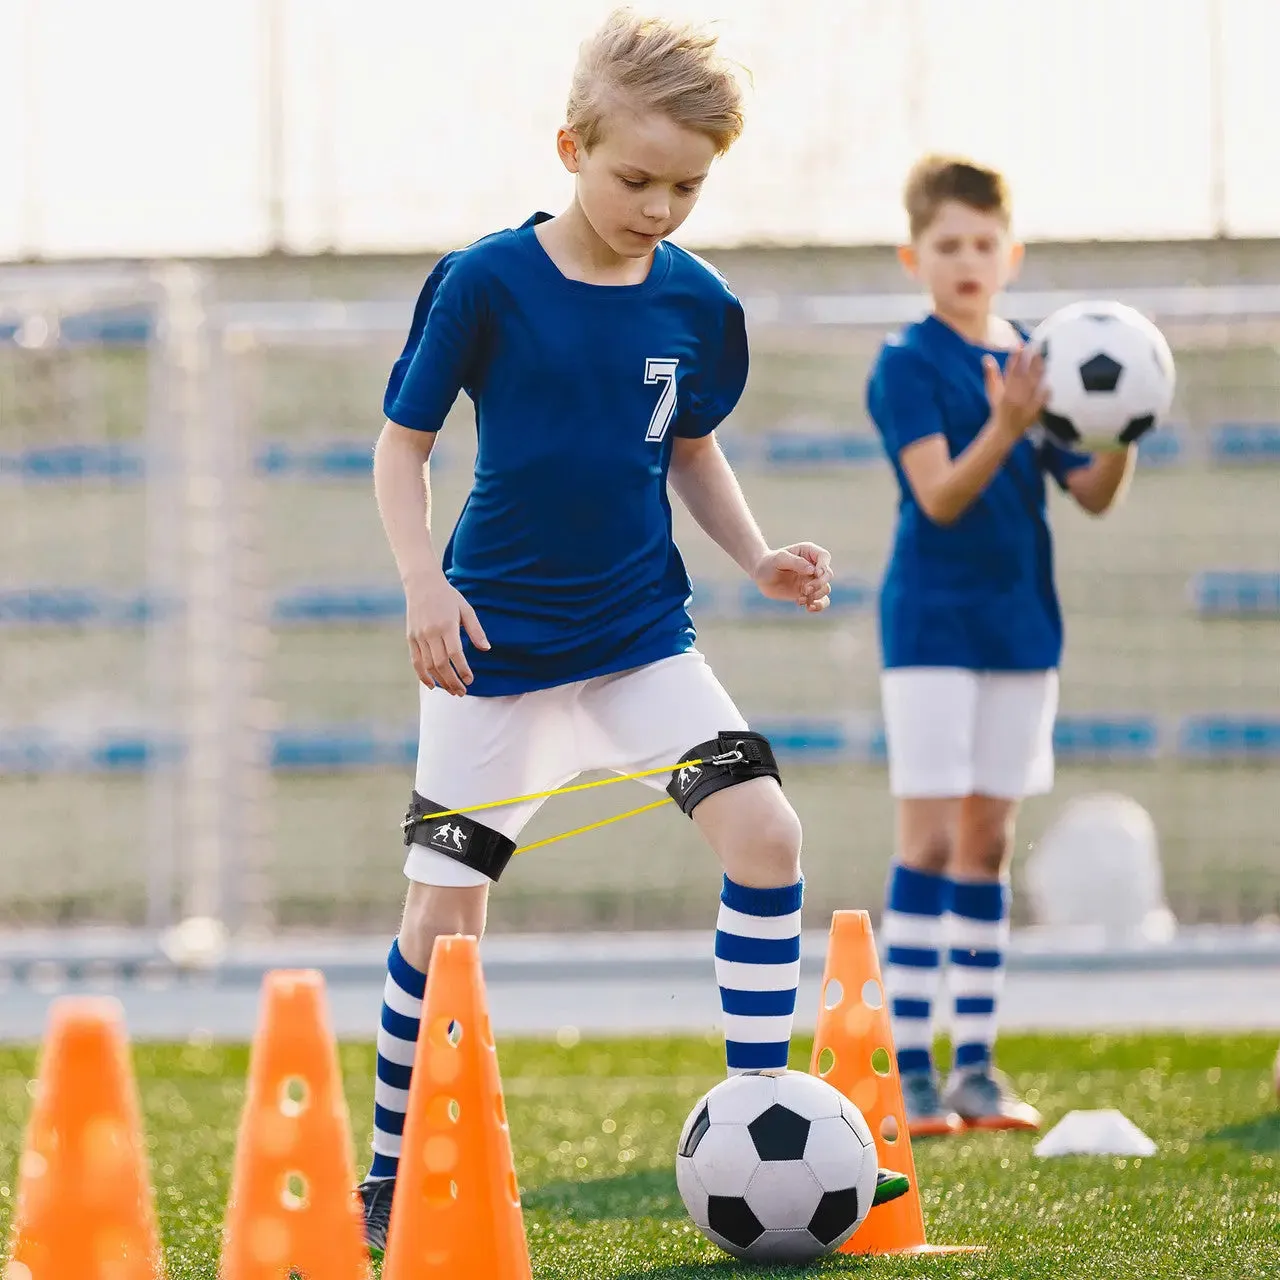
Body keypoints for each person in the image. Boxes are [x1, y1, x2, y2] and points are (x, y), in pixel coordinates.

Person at [358, 8, 907, 1256]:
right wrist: (418, 582)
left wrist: (756, 553)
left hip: (639, 641)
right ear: (569, 147)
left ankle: (756, 1105)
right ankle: (392, 1168)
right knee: (443, 932)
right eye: (634, 178)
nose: (658, 207)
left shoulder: (699, 302)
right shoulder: (484, 280)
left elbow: (690, 449)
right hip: (487, 655)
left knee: (766, 830)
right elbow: (402, 446)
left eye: (686, 186)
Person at [866, 155, 1138, 1137]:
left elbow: (1093, 492)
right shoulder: (905, 363)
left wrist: (1122, 421)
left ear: (1009, 252)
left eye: (984, 243)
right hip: (931, 628)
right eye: (947, 244)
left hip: (1022, 629)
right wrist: (1005, 420)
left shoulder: (1040, 360)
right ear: (914, 256)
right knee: (929, 841)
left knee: (986, 843)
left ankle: (975, 1066)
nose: (967, 259)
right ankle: (906, 1068)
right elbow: (938, 494)